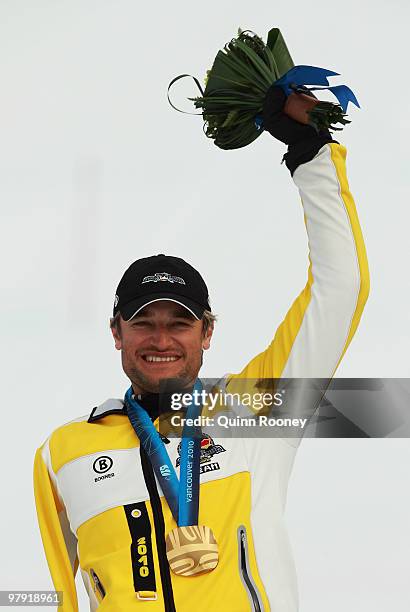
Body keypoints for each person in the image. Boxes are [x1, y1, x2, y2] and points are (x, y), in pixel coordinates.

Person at [33, 85, 370, 611]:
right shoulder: (64, 452)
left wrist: (311, 153)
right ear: (117, 332)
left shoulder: (255, 409)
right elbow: (57, 593)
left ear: (207, 333)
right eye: (143, 323)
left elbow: (341, 288)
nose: (161, 339)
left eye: (180, 322)